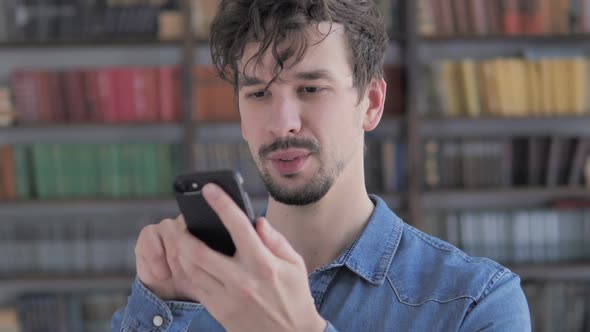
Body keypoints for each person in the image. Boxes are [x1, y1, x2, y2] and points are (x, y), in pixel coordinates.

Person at [111, 0, 531, 331]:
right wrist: (161, 304)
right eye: (258, 94)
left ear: (371, 103)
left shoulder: (476, 302)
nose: (282, 123)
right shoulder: (179, 298)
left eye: (311, 88)